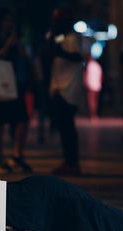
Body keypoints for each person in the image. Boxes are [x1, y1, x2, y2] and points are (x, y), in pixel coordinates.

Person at [0, 8, 31, 173]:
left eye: (10, 21)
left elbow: (24, 56)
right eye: (6, 20)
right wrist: (7, 45)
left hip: (15, 84)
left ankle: (17, 155)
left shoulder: (14, 39)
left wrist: (16, 43)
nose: (9, 24)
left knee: (22, 120)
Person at [48, 8, 84, 175]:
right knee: (64, 127)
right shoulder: (63, 37)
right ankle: (69, 160)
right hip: (61, 87)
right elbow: (54, 43)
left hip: (67, 88)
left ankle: (72, 162)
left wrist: (59, 51)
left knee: (67, 127)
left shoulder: (71, 38)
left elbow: (77, 57)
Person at [84, 54, 103, 119]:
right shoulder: (98, 66)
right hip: (97, 86)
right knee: (95, 101)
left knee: (91, 101)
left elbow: (86, 75)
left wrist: (85, 83)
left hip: (91, 85)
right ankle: (94, 115)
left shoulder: (89, 65)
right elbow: (101, 76)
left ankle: (92, 115)